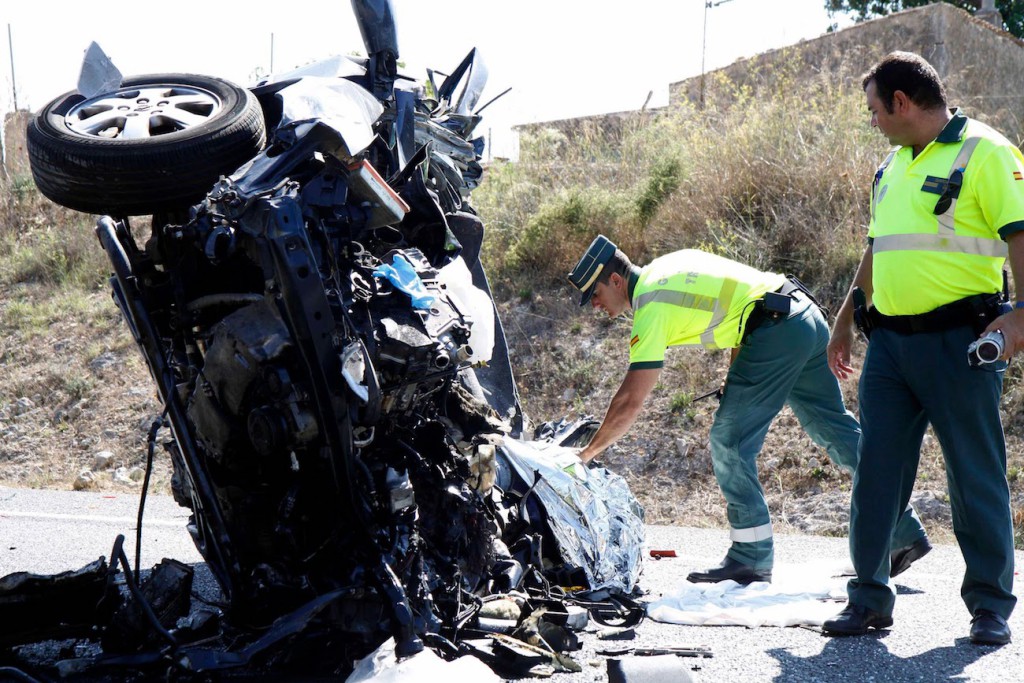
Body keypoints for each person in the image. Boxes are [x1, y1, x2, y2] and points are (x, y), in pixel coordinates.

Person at [566, 235, 929, 585]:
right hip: (801, 316)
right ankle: (903, 532)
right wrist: (732, 377)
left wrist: (587, 454)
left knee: (730, 441)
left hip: (776, 329)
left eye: (595, 294)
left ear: (616, 279)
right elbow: (742, 307)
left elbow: (631, 398)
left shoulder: (650, 304)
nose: (595, 305)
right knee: (834, 429)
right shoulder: (667, 266)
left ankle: (750, 556)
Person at [822, 51, 1023, 646]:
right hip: (889, 347)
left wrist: (1021, 320)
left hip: (961, 344)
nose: (874, 121)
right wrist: (844, 318)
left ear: (901, 103)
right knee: (876, 474)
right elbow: (878, 248)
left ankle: (989, 606)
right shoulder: (889, 167)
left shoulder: (987, 153)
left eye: (874, 111)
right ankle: (868, 600)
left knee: (974, 474)